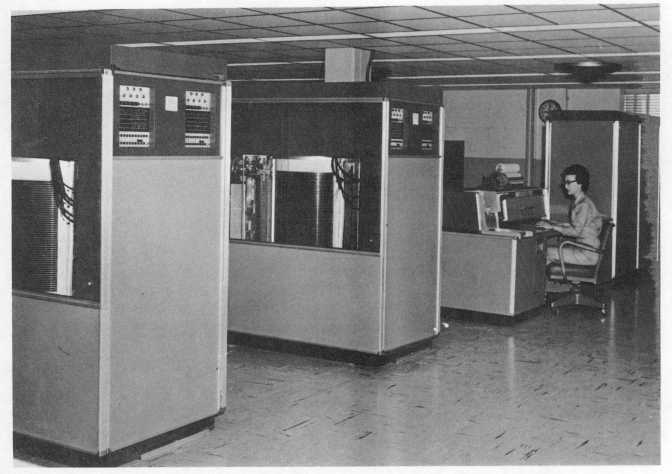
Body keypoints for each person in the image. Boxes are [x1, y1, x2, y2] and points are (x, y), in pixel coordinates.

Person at [538, 164, 603, 265]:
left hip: (587, 254)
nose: (565, 186)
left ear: (580, 184)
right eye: (565, 183)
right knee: (544, 251)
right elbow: (576, 226)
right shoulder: (580, 202)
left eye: (568, 183)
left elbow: (575, 232)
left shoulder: (584, 205)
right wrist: (553, 223)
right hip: (583, 249)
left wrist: (553, 227)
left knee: (542, 249)